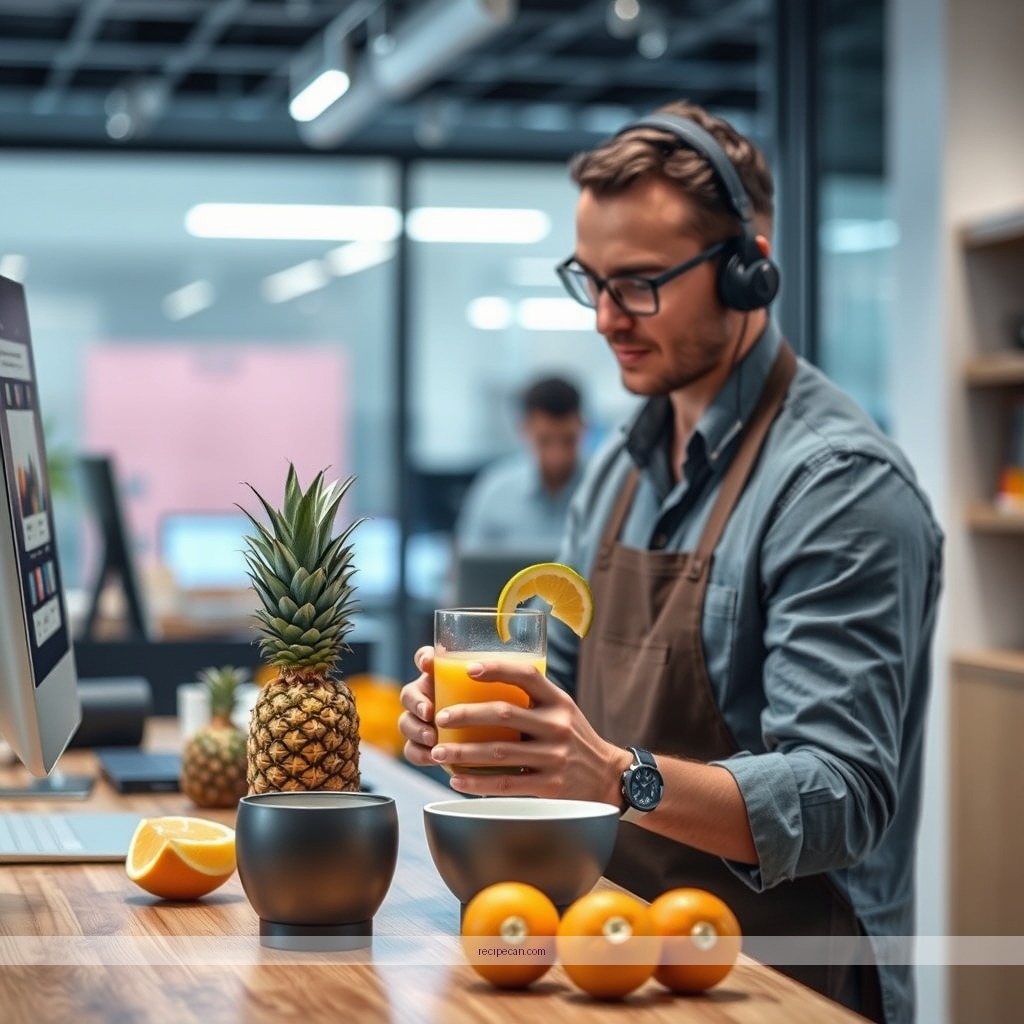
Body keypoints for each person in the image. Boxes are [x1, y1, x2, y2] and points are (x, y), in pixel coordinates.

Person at [400, 99, 942, 1024]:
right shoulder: (617, 467)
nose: (607, 319)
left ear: (746, 275)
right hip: (609, 964)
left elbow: (840, 795)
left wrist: (612, 775)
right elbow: (558, 703)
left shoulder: (838, 487)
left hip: (778, 984)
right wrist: (492, 730)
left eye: (641, 284)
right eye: (592, 280)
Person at [454, 375, 586, 551]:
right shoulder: (493, 492)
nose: (557, 457)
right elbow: (465, 568)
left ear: (584, 427)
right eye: (545, 441)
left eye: (568, 440)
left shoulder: (606, 490)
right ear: (524, 429)